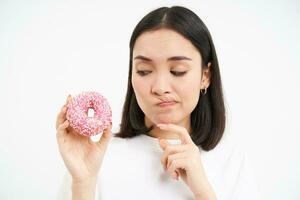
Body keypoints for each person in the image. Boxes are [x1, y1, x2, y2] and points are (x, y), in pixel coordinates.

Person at [56, 6, 260, 200]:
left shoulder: (233, 165)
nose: (160, 87)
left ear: (205, 76)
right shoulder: (96, 160)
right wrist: (84, 183)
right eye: (144, 71)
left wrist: (203, 193)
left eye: (177, 71)